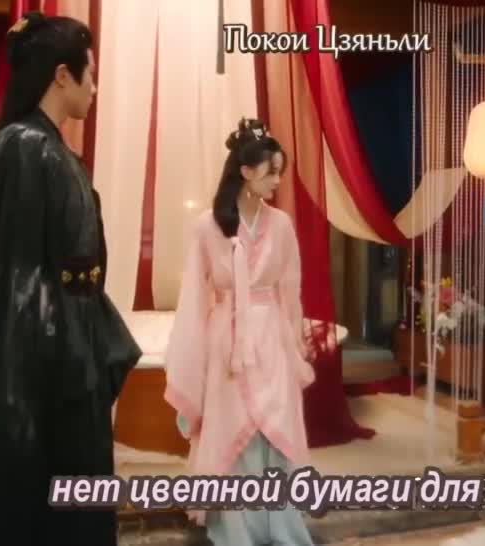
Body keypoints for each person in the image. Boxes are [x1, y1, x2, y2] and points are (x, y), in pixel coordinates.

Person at [0, 12, 142, 546]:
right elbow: (18, 281)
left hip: (69, 348)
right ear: (62, 75)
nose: (95, 87)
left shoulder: (45, 147)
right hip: (44, 367)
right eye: (90, 74)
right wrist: (35, 382)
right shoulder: (25, 148)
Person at [163, 118, 317, 546]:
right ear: (246, 171)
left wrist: (294, 345)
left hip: (271, 340)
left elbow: (290, 291)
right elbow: (195, 298)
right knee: (235, 430)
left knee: (276, 431)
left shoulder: (281, 226)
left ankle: (281, 527)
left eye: (280, 171)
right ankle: (237, 531)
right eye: (272, 171)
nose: (278, 180)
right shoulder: (206, 226)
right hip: (227, 342)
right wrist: (191, 362)